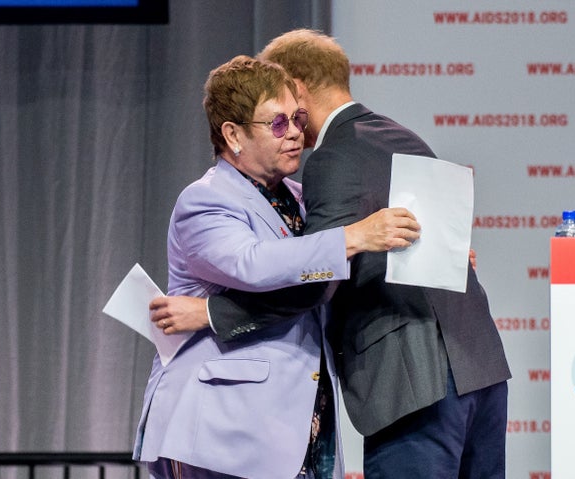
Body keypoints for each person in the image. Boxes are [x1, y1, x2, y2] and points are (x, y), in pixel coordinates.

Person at [161, 30, 512, 478]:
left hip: (414, 381)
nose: (288, 127)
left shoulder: (331, 159)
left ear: (296, 89)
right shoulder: (400, 136)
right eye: (275, 120)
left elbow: (316, 281)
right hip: (477, 366)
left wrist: (214, 313)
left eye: (288, 110)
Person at [132, 55, 421, 479]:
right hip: (223, 430)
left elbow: (326, 275)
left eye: (298, 120)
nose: (296, 135)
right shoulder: (205, 201)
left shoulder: (303, 198)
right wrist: (354, 237)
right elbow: (253, 263)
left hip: (300, 421)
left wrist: (415, 251)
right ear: (232, 134)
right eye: (278, 124)